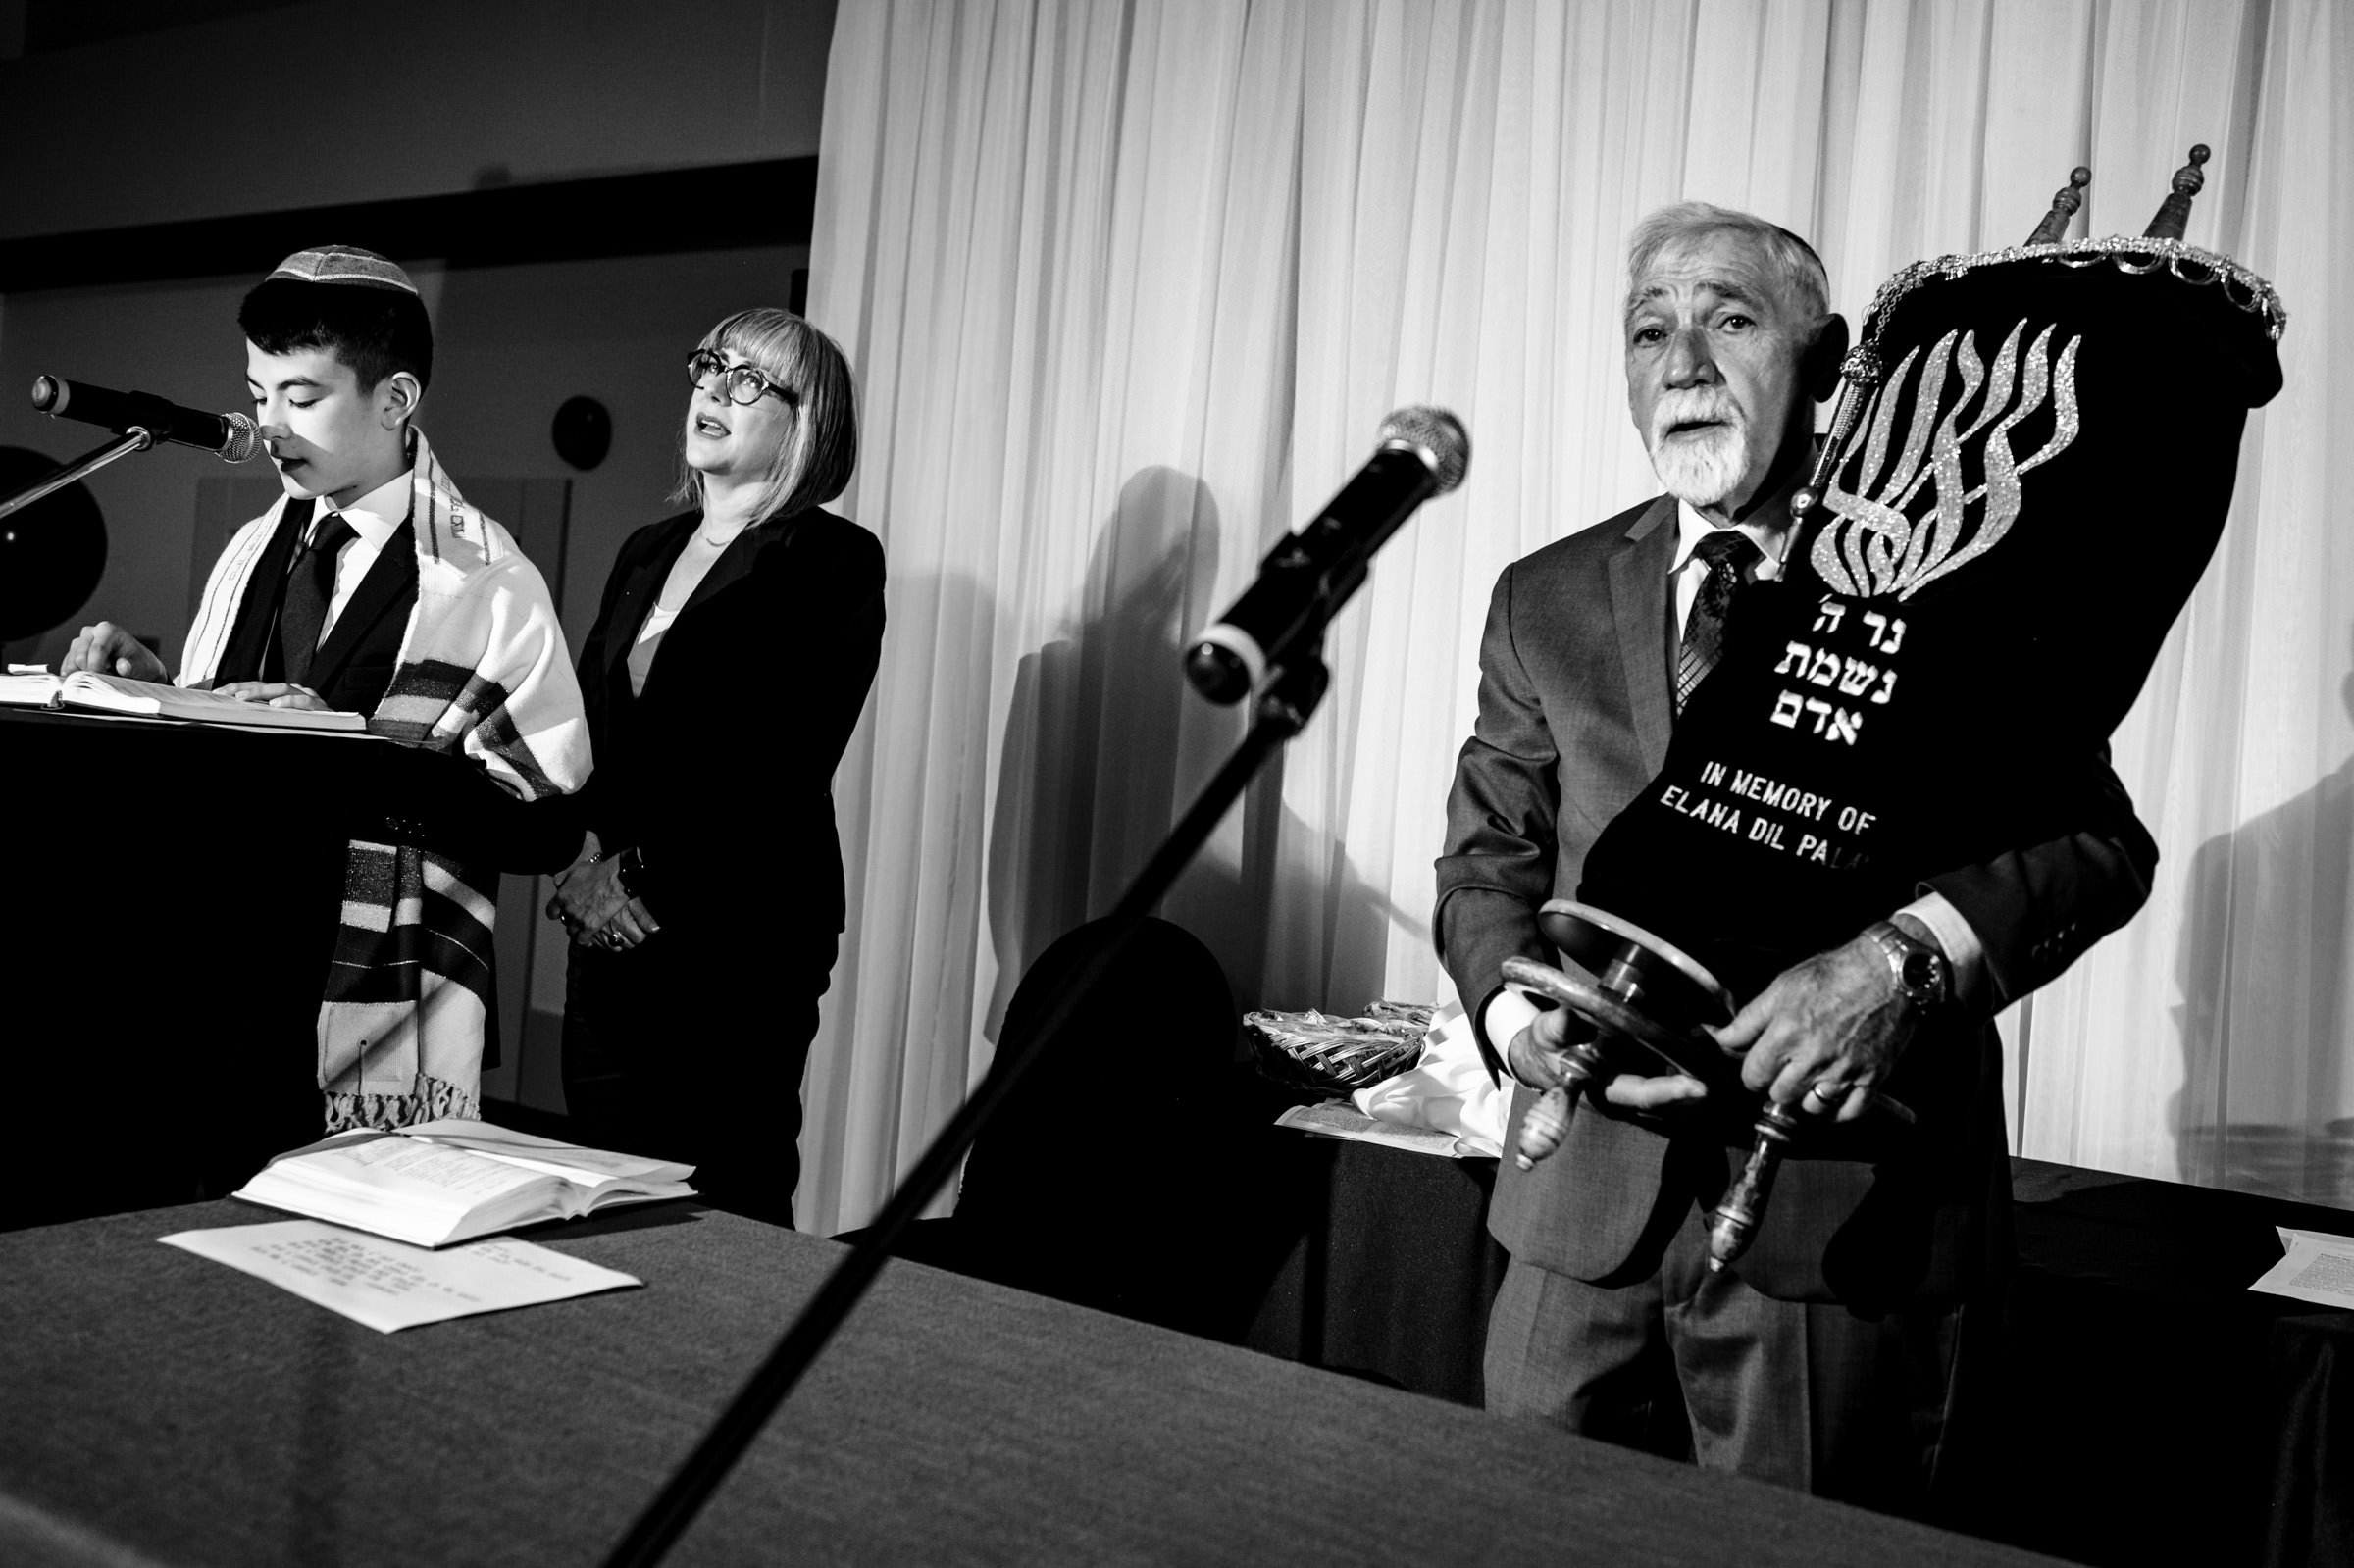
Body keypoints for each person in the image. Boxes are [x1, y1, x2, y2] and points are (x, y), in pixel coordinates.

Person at [1434, 203, 2158, 1516]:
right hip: (1575, 1227)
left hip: (1840, 1236)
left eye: (1729, 319)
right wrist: (1509, 1004)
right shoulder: (1544, 595)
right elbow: (1490, 859)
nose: (1683, 362)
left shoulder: (1956, 576)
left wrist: (1902, 965)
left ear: (1828, 365)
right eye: (1649, 330)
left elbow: (2100, 846)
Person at [62, 244, 589, 1136]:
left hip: (361, 982)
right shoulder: (258, 544)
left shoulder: (483, 579)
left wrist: (357, 749)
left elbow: (546, 822)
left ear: (395, 399)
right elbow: (241, 729)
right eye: (259, 393)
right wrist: (175, 697)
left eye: (302, 399)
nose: (269, 426)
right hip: (216, 962)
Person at [550, 307, 883, 1229]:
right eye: (708, 366)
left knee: (722, 1197)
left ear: (805, 420)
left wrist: (637, 870)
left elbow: (780, 759)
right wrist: (582, 857)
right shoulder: (647, 549)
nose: (711, 389)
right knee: (610, 1190)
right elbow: (587, 730)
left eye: (748, 379)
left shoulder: (830, 558)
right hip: (610, 926)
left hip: (739, 930)